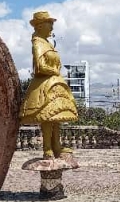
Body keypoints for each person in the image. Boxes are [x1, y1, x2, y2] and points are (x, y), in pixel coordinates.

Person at [19, 11, 79, 158]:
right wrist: (55, 71)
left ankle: (57, 146)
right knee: (47, 116)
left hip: (55, 82)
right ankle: (47, 148)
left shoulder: (47, 43)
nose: (52, 28)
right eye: (49, 24)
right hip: (45, 84)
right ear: (40, 26)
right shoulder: (38, 43)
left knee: (56, 117)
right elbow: (39, 67)